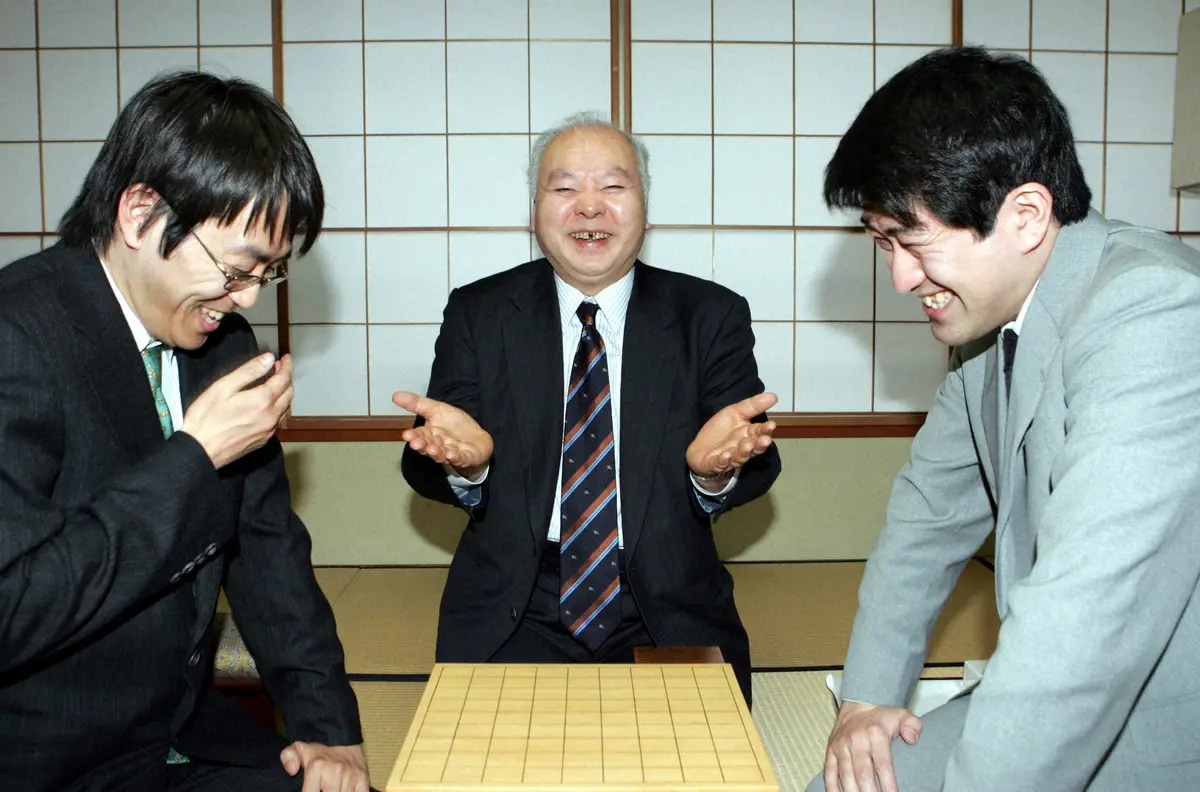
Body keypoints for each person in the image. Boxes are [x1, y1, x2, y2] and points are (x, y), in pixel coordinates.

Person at [806, 47, 1200, 792]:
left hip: (1159, 727)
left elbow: (1087, 615)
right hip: (1048, 683)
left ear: (1025, 215)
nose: (900, 277)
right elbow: (929, 515)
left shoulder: (1153, 314)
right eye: (884, 242)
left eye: (914, 241)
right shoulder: (986, 322)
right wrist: (869, 695)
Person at [0, 72, 369, 791]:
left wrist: (327, 729)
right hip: (48, 758)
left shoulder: (222, 342)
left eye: (269, 272)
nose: (248, 299)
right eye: (236, 268)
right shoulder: (19, 337)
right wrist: (195, 457)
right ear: (140, 214)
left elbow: (267, 547)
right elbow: (14, 608)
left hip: (177, 735)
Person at [394, 112, 781, 706]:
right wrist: (468, 468)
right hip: (517, 605)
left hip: (666, 605)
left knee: (695, 754)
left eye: (613, 186)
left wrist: (711, 475)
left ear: (645, 208)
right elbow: (427, 461)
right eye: (565, 188)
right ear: (534, 211)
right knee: (488, 754)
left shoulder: (710, 315)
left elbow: (757, 462)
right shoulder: (479, 312)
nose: (590, 207)